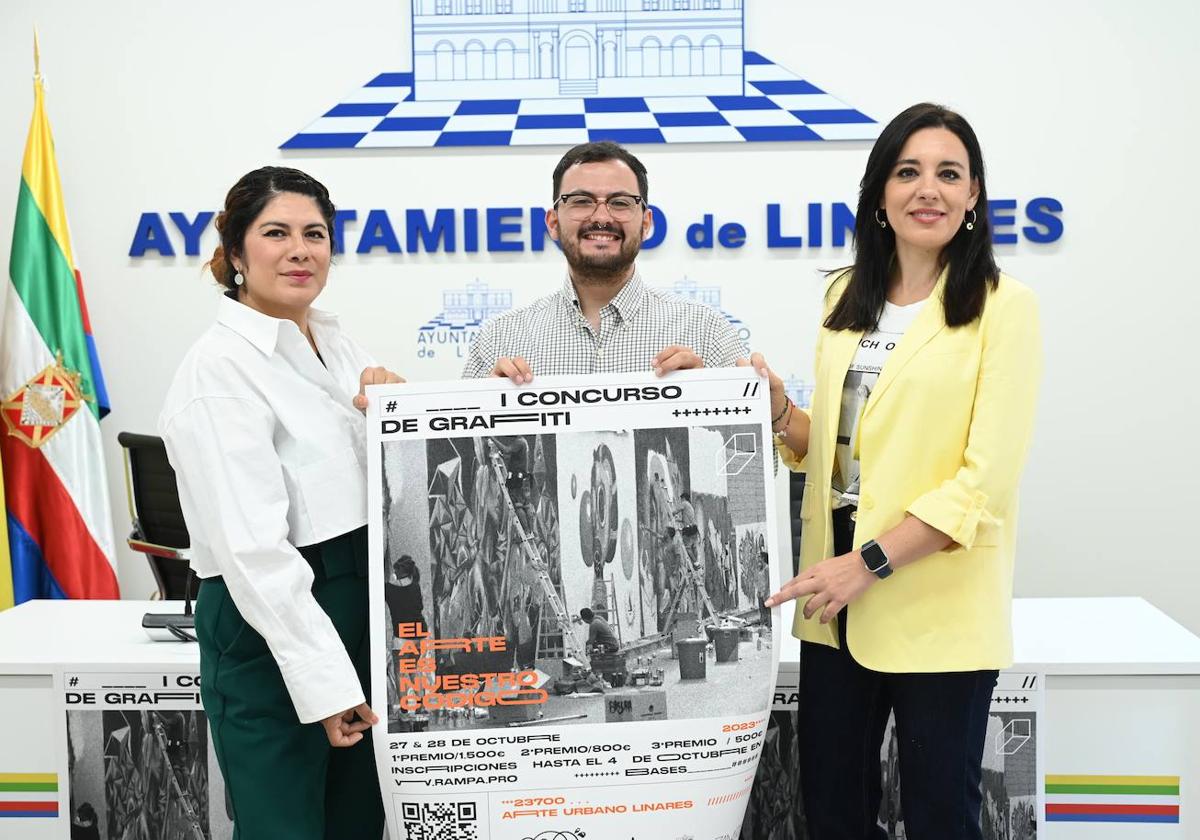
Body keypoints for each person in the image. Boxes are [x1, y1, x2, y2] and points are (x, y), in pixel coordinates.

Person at [752, 104, 1042, 840]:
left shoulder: (1005, 309)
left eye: (950, 174)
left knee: (941, 816)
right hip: (834, 603)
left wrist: (868, 564)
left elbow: (984, 483)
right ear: (879, 190)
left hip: (931, 600)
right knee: (835, 814)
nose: (928, 190)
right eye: (908, 171)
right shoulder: (842, 296)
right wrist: (785, 412)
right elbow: (845, 453)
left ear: (974, 194)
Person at [160, 166, 403, 839]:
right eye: (276, 233)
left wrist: (396, 406)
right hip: (275, 627)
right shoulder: (220, 370)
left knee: (356, 823)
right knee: (285, 829)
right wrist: (324, 683)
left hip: (356, 612)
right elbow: (254, 552)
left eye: (314, 234)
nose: (300, 250)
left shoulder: (335, 342)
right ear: (236, 253)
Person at [462, 141, 746, 381]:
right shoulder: (497, 341)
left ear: (646, 223)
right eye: (581, 201)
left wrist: (712, 399)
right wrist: (486, 410)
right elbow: (456, 446)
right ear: (553, 222)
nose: (600, 217)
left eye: (620, 203)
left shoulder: (707, 332)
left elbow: (753, 446)